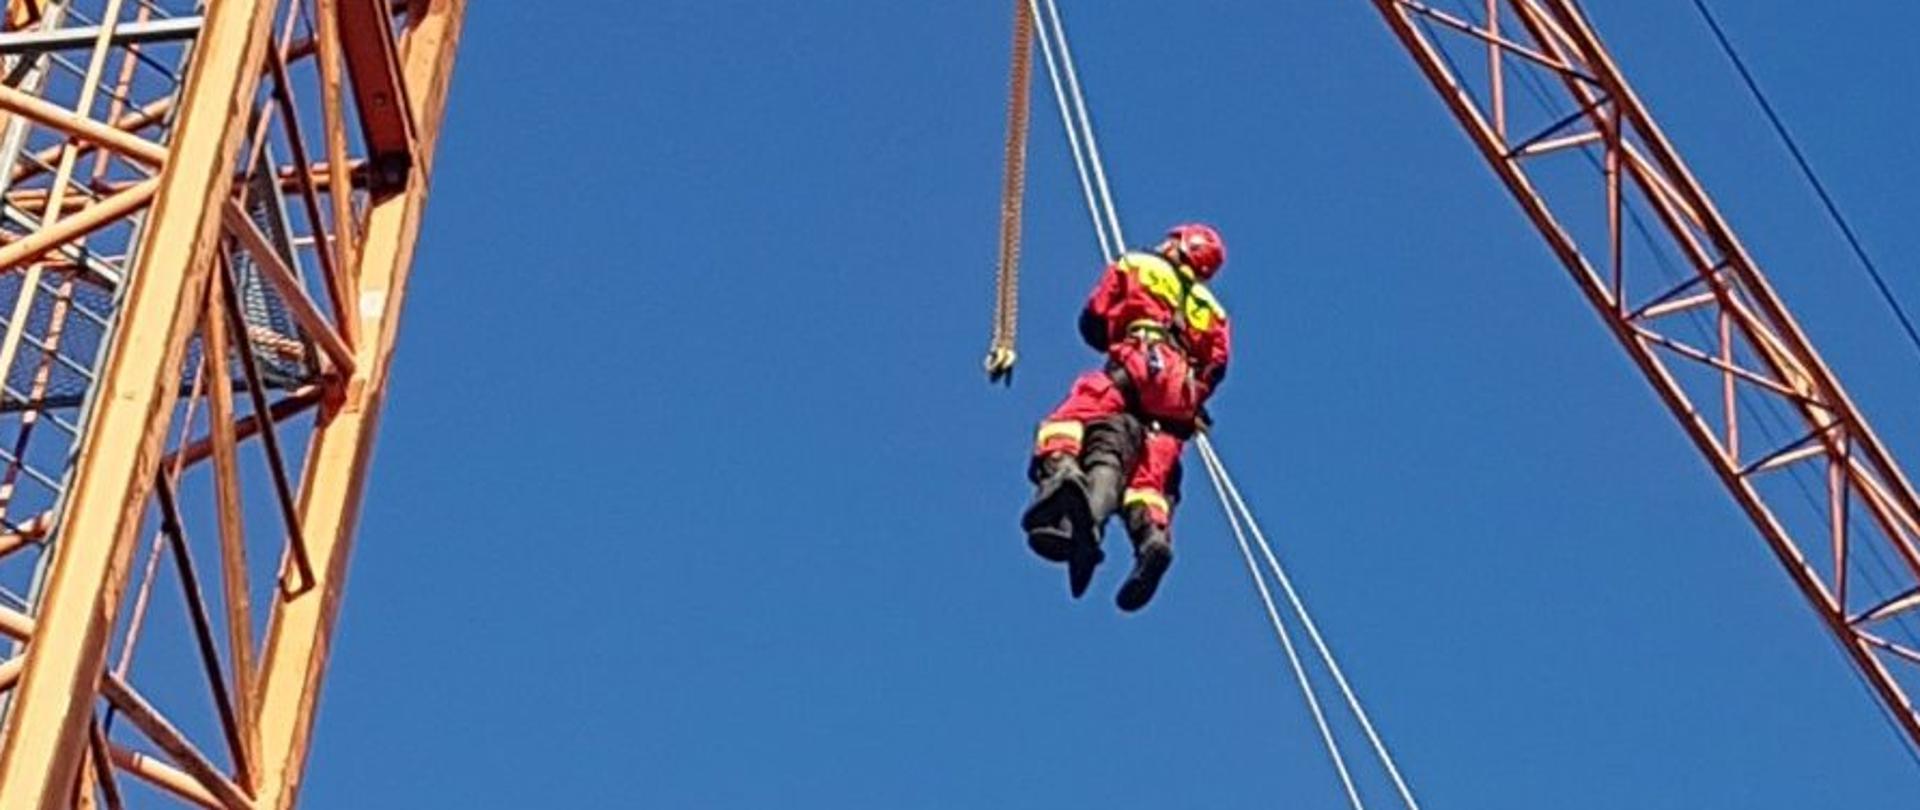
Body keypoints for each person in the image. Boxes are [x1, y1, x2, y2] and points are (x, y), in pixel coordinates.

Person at [1021, 223, 1232, 612]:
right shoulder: (1214, 313)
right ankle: (1152, 539)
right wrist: (1192, 400)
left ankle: (1064, 472)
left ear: (1181, 245)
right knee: (1149, 480)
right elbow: (1216, 367)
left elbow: (1095, 316)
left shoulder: (1139, 263)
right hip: (1179, 395)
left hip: (1142, 359)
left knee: (1070, 418)